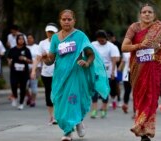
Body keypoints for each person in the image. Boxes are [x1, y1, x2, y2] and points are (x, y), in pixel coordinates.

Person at [41, 9, 109, 141]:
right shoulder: (55, 38)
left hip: (76, 75)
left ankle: (68, 132)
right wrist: (45, 58)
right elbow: (51, 60)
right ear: (60, 21)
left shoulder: (80, 36)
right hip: (60, 77)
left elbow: (91, 54)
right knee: (59, 104)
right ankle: (77, 122)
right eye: (64, 19)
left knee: (73, 101)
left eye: (69, 19)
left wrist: (87, 63)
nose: (66, 21)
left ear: (74, 20)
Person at [121, 4, 161, 141]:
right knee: (140, 98)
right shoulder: (134, 28)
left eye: (150, 12)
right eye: (144, 12)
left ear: (154, 15)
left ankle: (144, 129)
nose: (147, 14)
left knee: (152, 98)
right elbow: (124, 47)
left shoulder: (160, 28)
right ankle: (141, 126)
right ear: (140, 14)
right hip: (137, 69)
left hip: (154, 68)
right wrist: (139, 45)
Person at [30, 23, 58, 124]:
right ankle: (51, 117)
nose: (50, 34)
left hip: (58, 73)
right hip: (46, 73)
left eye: (52, 32)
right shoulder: (42, 43)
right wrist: (33, 70)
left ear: (56, 32)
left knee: (57, 94)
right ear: (46, 32)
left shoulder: (60, 42)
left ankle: (58, 115)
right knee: (48, 94)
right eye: (48, 32)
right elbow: (37, 58)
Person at [90, 30, 120, 118]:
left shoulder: (111, 46)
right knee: (95, 91)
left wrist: (113, 72)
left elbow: (115, 59)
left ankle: (104, 109)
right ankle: (94, 110)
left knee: (104, 91)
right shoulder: (93, 44)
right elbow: (89, 55)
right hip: (96, 71)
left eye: (102, 40)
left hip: (107, 71)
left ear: (106, 39)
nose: (100, 42)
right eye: (99, 40)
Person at [7, 34, 32, 110]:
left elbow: (31, 61)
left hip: (24, 72)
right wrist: (9, 62)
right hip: (14, 71)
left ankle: (21, 103)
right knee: (13, 84)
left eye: (22, 39)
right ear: (17, 40)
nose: (21, 40)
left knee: (23, 87)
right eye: (19, 39)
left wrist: (24, 58)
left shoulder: (26, 50)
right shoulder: (12, 49)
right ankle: (15, 97)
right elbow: (8, 57)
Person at [26, 34, 40, 107]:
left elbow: (40, 58)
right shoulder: (25, 48)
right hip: (25, 69)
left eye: (30, 38)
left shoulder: (37, 47)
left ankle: (33, 100)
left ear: (33, 39)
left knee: (33, 85)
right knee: (24, 86)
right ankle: (29, 97)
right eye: (28, 38)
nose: (29, 39)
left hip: (35, 68)